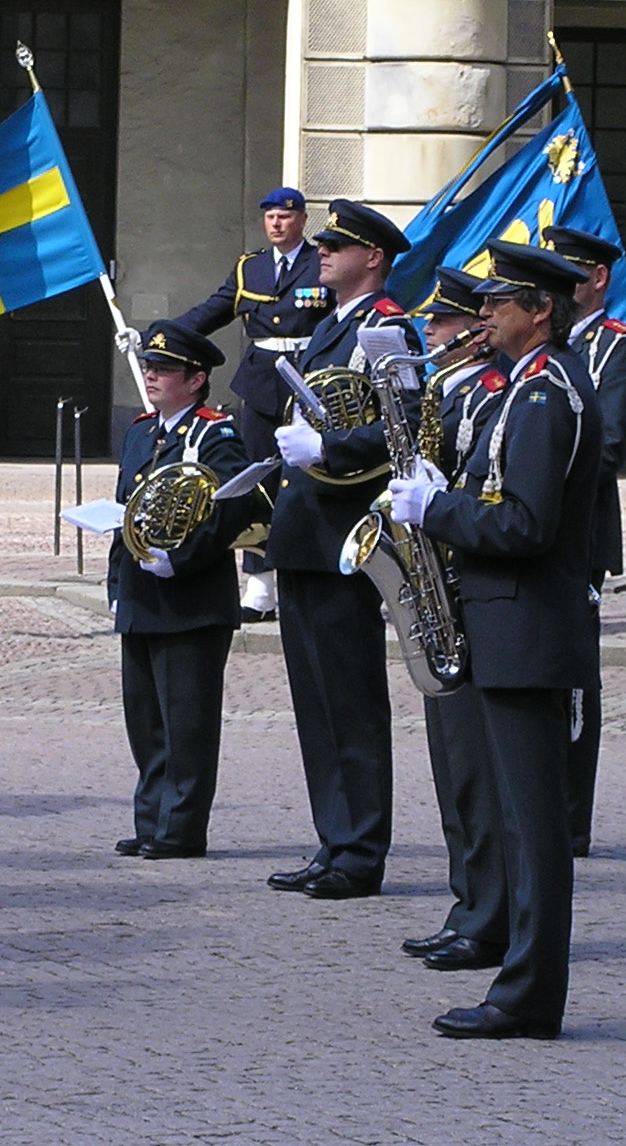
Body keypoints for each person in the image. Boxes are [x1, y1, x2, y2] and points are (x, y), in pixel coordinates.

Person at [388, 240, 601, 1040]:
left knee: (533, 829)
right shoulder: (525, 389)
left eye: (498, 302)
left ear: (540, 310)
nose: (484, 315)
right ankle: (519, 981)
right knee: (518, 822)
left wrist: (434, 511)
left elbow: (526, 525)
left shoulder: (548, 395)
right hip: (504, 624)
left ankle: (528, 995)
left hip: (527, 629)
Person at [263, 199, 419, 900]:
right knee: (316, 700)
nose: (321, 252)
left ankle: (360, 849)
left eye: (338, 245)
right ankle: (335, 838)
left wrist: (328, 445)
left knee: (349, 698)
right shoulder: (331, 324)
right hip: (306, 532)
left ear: (374, 258)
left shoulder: (387, 328)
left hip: (345, 535)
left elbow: (404, 427)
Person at [397, 268, 513, 973]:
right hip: (446, 592)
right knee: (453, 771)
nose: (429, 336)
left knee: (478, 772)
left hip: (474, 594)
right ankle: (466, 903)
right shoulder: (448, 390)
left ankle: (490, 915)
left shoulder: (497, 394)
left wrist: (441, 499)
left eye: (440, 325)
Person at [107, 320, 254, 859]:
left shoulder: (214, 435)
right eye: (149, 367)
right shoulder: (142, 432)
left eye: (164, 370)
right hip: (142, 594)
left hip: (191, 597)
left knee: (186, 724)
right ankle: (151, 822)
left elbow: (231, 505)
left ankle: (181, 829)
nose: (151, 376)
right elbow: (128, 512)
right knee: (144, 720)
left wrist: (184, 557)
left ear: (195, 380)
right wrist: (116, 585)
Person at [543, 225, 626, 859]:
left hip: (578, 530)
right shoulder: (546, 348)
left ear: (598, 279)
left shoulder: (619, 350)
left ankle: (571, 816)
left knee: (575, 679)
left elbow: (607, 449)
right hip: (533, 526)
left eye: (570, 274)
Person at [176, 186, 327, 622]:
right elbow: (214, 310)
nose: (276, 224)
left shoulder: (321, 262)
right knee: (258, 480)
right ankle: (261, 586)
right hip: (262, 381)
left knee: (312, 477)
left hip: (309, 378)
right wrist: (162, 334)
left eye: (284, 216)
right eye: (270, 217)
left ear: (300, 220)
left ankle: (313, 570)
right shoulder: (251, 268)